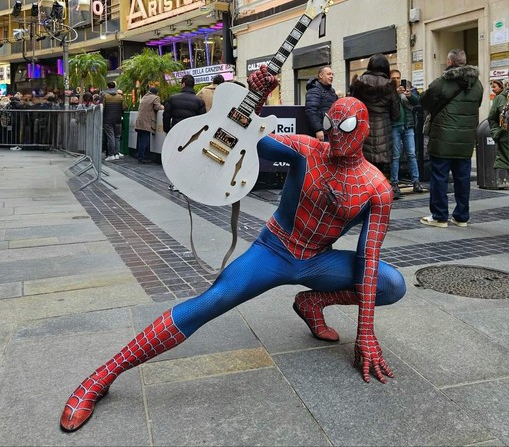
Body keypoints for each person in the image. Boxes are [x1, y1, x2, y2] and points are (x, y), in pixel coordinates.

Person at [60, 65, 406, 432]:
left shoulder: (376, 188)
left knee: (391, 284)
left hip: (318, 259)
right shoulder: (308, 151)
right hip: (274, 251)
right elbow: (246, 137)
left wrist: (365, 333)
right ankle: (103, 375)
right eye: (331, 124)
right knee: (210, 302)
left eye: (347, 127)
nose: (337, 135)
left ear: (365, 129)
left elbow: (368, 260)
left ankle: (314, 302)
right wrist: (255, 98)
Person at [419, 49, 483, 228]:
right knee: (462, 178)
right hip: (465, 140)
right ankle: (461, 217)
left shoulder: (443, 82)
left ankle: (439, 216)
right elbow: (477, 104)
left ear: (449, 62)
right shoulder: (477, 85)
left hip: (442, 138)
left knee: (439, 177)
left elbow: (424, 101)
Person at [350, 54, 400, 175]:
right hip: (383, 134)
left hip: (362, 132)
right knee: (378, 173)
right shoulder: (389, 84)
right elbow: (396, 114)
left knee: (361, 172)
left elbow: (351, 106)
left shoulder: (359, 82)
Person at [389, 70, 425, 199]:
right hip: (395, 126)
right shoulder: (389, 92)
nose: (396, 80)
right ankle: (394, 183)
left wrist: (409, 95)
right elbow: (388, 107)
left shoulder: (408, 89)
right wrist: (396, 95)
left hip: (408, 126)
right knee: (396, 156)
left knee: (411, 154)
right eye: (393, 78)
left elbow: (418, 103)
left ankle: (416, 182)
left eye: (398, 78)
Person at [304, 66, 338, 141]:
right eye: (328, 74)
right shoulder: (314, 91)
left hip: (331, 131)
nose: (331, 76)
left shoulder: (332, 92)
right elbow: (311, 110)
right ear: (320, 75)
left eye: (332, 74)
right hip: (322, 133)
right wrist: (318, 129)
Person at [487, 79, 509, 184]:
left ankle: (502, 181)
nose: (492, 89)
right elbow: (494, 118)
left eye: (494, 86)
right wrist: (497, 132)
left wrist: (497, 133)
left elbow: (496, 117)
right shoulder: (502, 97)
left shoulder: (500, 98)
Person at [135, 86, 163, 163]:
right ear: (156, 93)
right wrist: (163, 106)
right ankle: (141, 157)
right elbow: (157, 107)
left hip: (140, 120)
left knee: (141, 139)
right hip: (146, 121)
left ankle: (139, 155)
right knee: (144, 139)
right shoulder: (155, 97)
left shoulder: (144, 97)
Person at [102, 81, 125, 162]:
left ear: (107, 87)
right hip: (118, 119)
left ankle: (111, 154)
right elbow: (124, 107)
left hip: (107, 119)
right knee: (117, 137)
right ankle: (116, 154)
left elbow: (102, 108)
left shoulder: (105, 96)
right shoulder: (120, 97)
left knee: (110, 137)